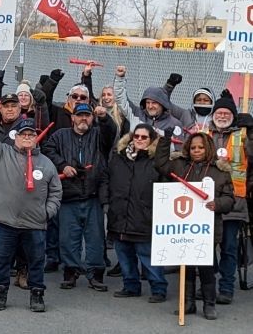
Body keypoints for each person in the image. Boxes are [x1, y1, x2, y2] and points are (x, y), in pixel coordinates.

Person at [0, 111, 61, 312]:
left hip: (35, 223)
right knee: (2, 260)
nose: (27, 137)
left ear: (36, 137)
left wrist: (47, 212)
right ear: (15, 136)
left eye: (31, 134)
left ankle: (37, 296)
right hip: (5, 221)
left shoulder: (46, 163)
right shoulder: (2, 154)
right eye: (23, 134)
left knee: (36, 261)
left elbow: (56, 192)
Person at [155, 131, 235, 320]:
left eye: (200, 147)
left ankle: (209, 304)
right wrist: (165, 140)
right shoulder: (180, 165)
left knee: (206, 268)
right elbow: (160, 164)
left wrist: (218, 204)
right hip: (184, 228)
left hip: (207, 230)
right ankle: (188, 303)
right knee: (187, 267)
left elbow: (229, 199)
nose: (196, 151)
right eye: (193, 148)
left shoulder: (220, 171)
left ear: (208, 148)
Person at [42, 102, 116, 292]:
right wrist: (63, 165)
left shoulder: (99, 135)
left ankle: (95, 274)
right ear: (72, 118)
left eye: (87, 116)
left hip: (93, 195)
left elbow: (111, 131)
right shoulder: (60, 135)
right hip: (68, 195)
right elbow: (47, 150)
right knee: (68, 238)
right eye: (80, 115)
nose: (83, 119)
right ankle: (70, 272)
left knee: (96, 238)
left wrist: (105, 118)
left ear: (92, 118)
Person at [99, 124, 167, 302]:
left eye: (144, 137)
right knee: (124, 255)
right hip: (119, 215)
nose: (139, 140)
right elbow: (106, 178)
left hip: (144, 217)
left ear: (151, 140)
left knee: (148, 257)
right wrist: (107, 200)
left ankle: (158, 288)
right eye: (136, 136)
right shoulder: (118, 158)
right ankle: (130, 286)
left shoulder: (156, 161)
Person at [203, 93, 250, 305]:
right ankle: (209, 287)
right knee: (207, 248)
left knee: (229, 249)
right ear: (213, 115)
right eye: (219, 112)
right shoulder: (203, 133)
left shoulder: (244, 135)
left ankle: (226, 289)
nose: (222, 115)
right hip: (206, 201)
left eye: (227, 112)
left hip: (234, 202)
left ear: (233, 115)